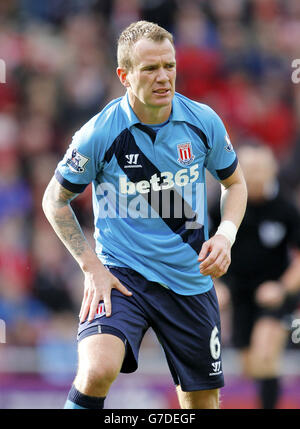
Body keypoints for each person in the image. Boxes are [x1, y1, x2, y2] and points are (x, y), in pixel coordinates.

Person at [42, 20, 247, 410]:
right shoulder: (98, 134)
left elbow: (236, 184)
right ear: (124, 75)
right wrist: (91, 267)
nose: (164, 77)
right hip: (121, 276)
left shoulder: (203, 122)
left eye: (169, 66)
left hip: (189, 280)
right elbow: (54, 200)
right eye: (150, 68)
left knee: (201, 402)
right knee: (97, 370)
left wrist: (225, 235)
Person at [211, 143, 300, 409]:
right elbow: (200, 247)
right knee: (251, 365)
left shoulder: (285, 209)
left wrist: (282, 288)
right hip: (238, 292)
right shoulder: (223, 206)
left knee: (264, 355)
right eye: (248, 169)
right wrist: (216, 284)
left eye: (260, 168)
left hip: (272, 294)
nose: (255, 175)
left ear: (272, 170)